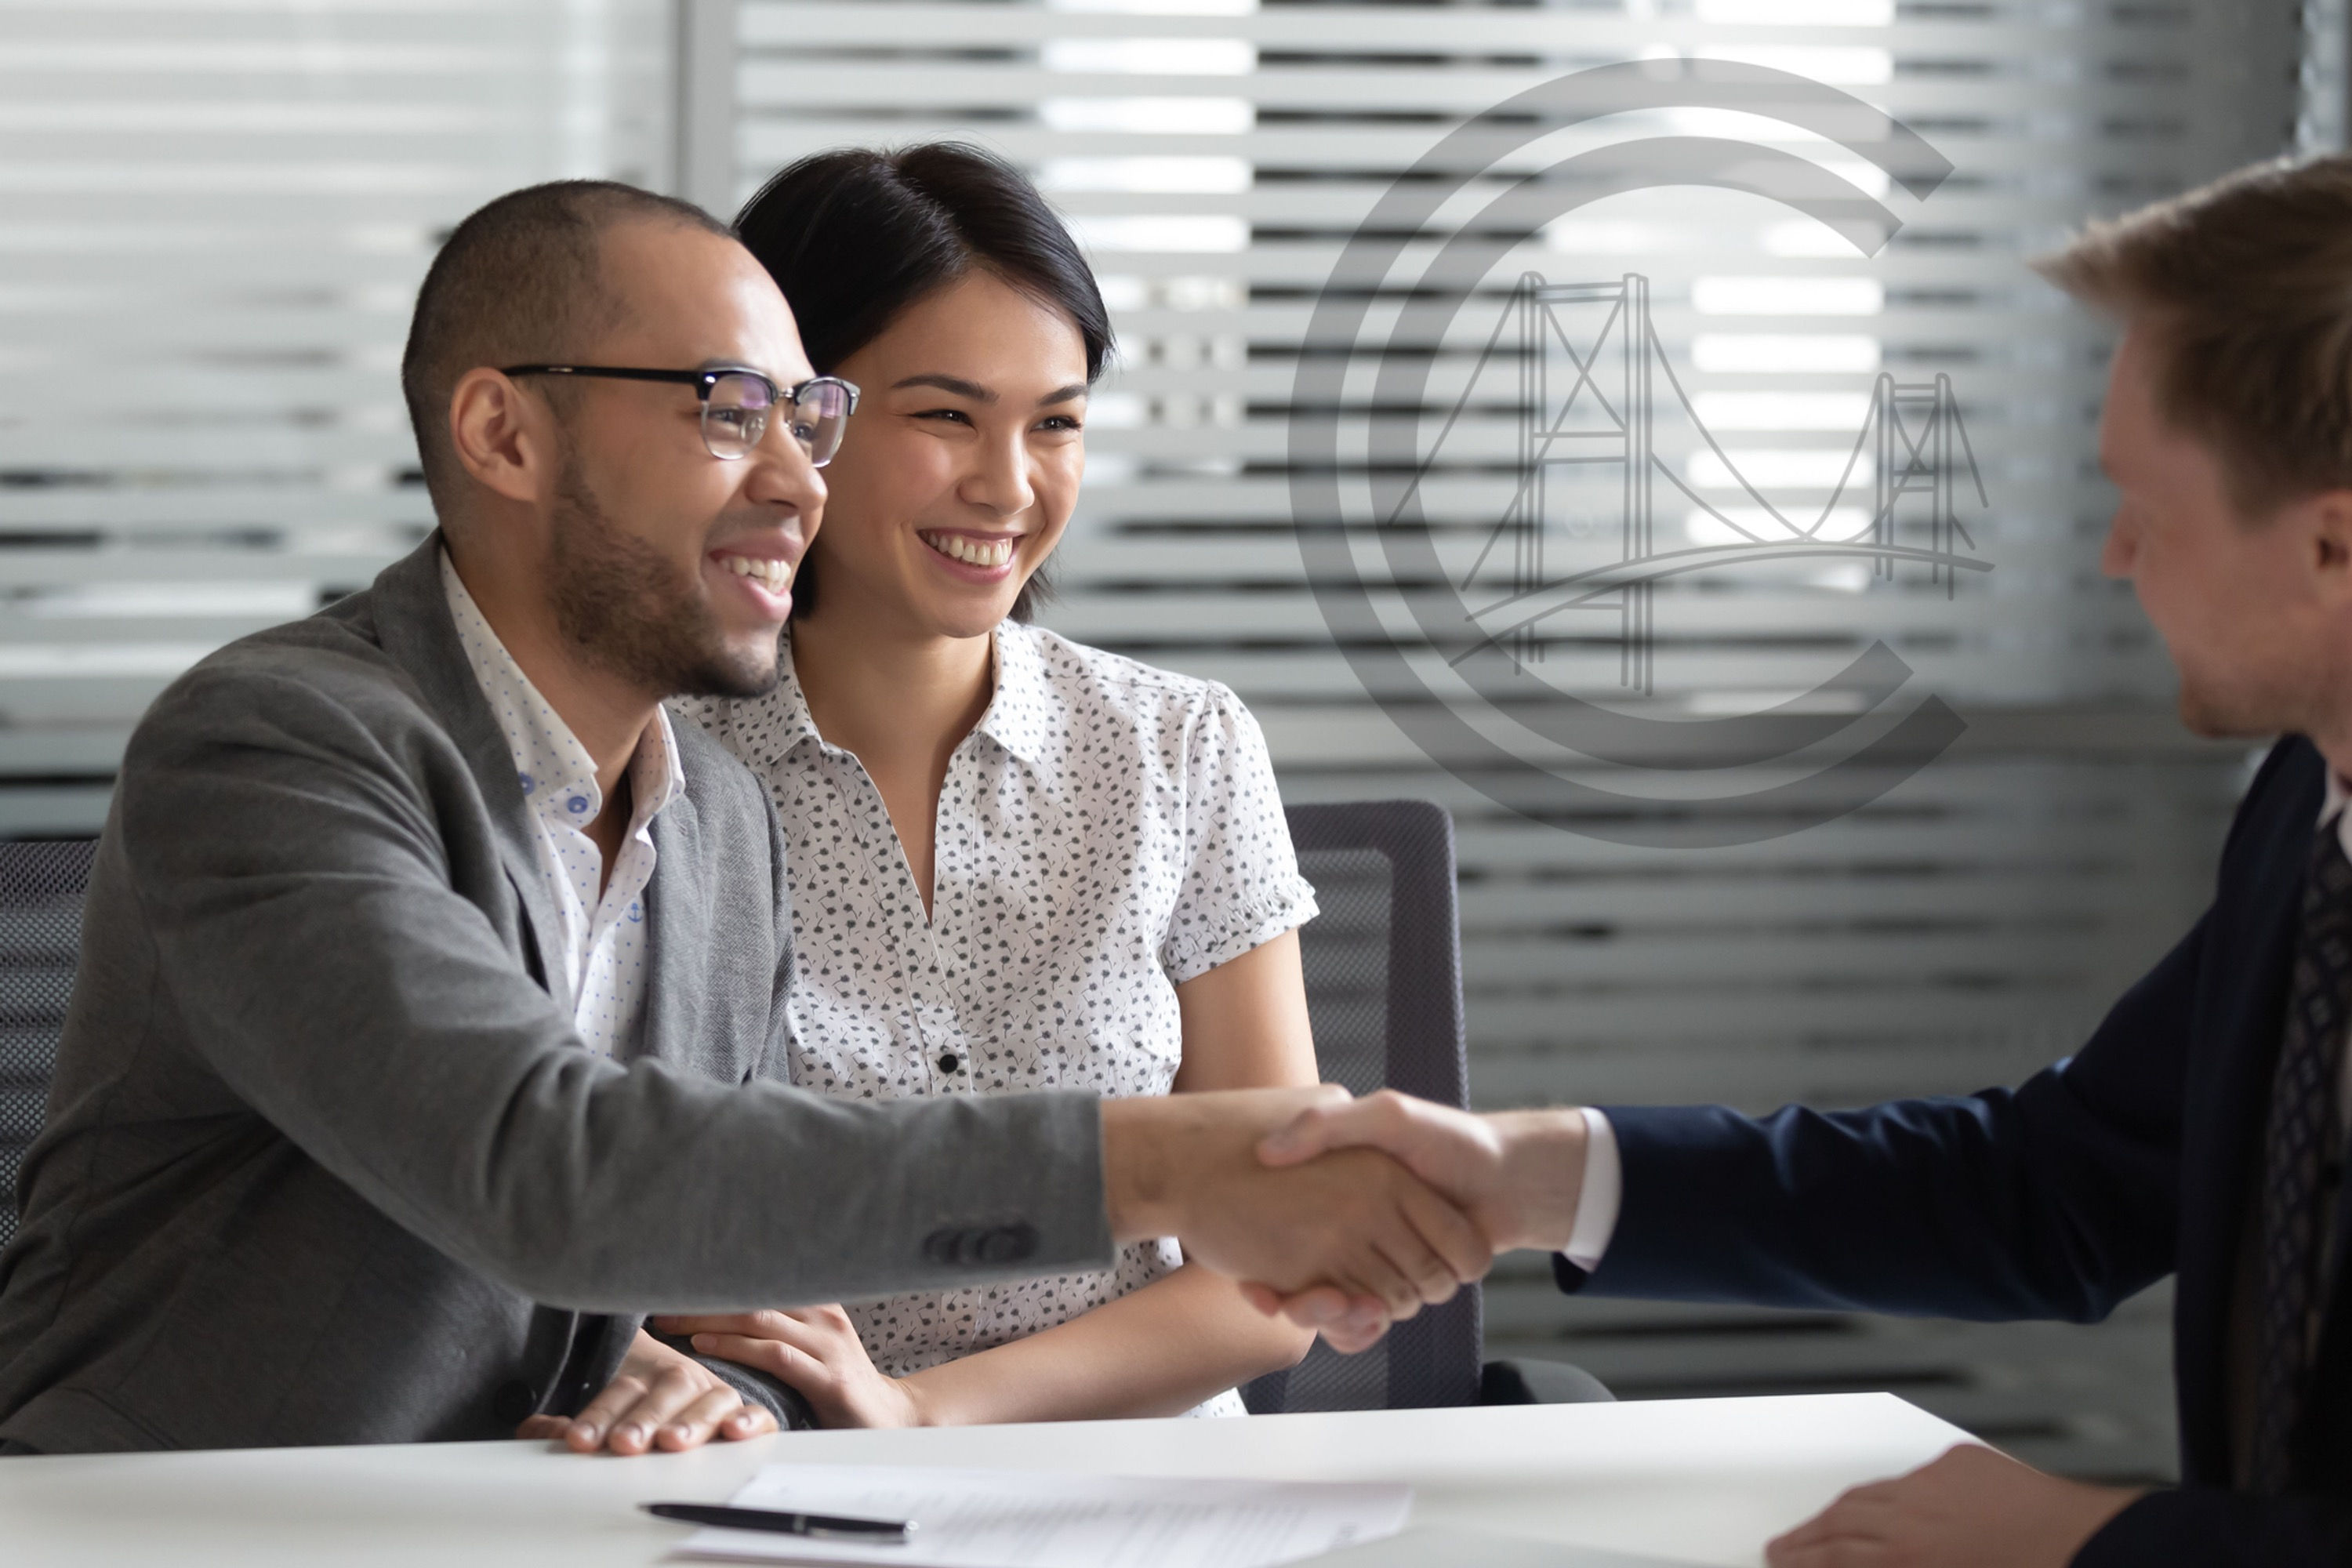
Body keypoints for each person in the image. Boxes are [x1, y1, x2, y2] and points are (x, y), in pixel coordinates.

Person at [0, 179, 1489, 1457]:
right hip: (205, 1516)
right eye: (729, 413)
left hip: (568, 1511)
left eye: (808, 420)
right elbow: (553, 1168)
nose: (797, 481)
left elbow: (717, 1279)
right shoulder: (274, 748)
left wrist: (716, 1380)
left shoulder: (705, 810)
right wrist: (1165, 1165)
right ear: (505, 435)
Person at [1254, 154, 2352, 1566]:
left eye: (2152, 509)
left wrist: (2091, 1541)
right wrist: (1535, 1177)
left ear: (2333, 546)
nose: (2113, 555)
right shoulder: (2309, 807)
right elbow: (2059, 1190)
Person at [554, 143, 1319, 1436]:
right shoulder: (650, 762)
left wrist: (921, 1409)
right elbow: (564, 1193)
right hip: (773, 1472)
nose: (1008, 486)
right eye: (947, 417)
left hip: (1139, 1487)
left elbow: (1284, 1259)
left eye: (1056, 423)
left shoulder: (1180, 746)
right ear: (800, 420)